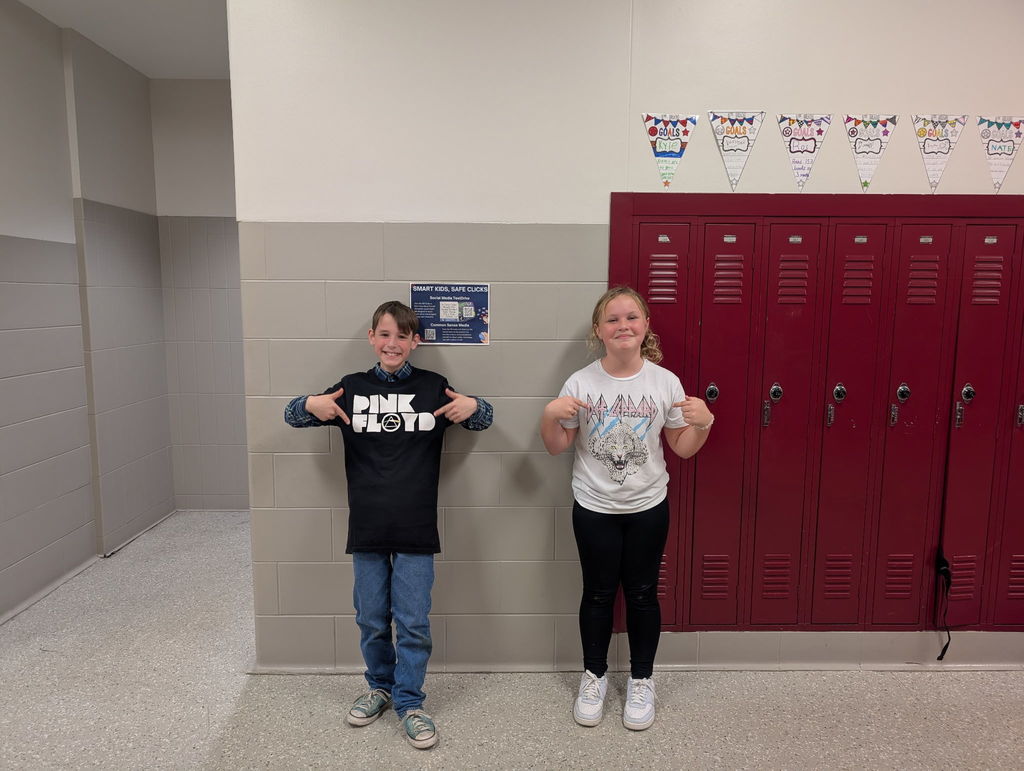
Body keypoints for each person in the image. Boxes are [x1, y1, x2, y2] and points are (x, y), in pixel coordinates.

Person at [284, 300, 493, 749]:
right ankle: (379, 687)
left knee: (414, 621)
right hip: (368, 527)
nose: (392, 343)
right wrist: (309, 403)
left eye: (402, 335)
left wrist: (474, 406)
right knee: (372, 618)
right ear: (371, 339)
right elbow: (292, 415)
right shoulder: (351, 388)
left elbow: (483, 418)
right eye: (384, 334)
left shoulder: (434, 387)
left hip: (416, 526)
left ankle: (410, 703)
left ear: (415, 341)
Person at [540, 286, 713, 731]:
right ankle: (594, 675)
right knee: (597, 594)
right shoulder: (580, 382)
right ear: (598, 331)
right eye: (613, 319)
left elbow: (682, 447)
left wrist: (705, 424)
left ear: (645, 326)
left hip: (647, 506)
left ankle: (641, 679)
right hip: (594, 505)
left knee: (641, 595)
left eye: (631, 318)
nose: (623, 326)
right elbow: (558, 446)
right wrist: (548, 415)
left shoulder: (664, 382)